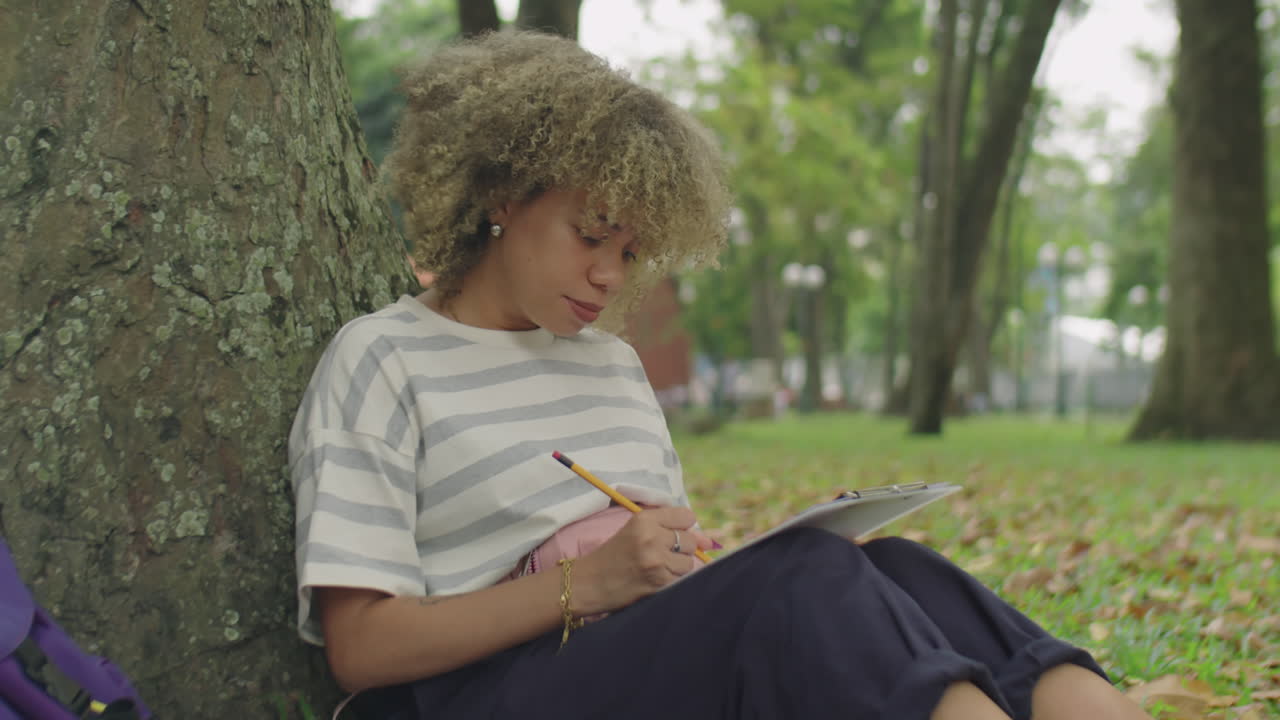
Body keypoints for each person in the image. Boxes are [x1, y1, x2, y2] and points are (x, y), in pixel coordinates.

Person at [289, 31, 1154, 720]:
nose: (609, 276)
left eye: (631, 252)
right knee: (802, 578)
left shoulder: (613, 367)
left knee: (899, 568)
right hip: (481, 693)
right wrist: (584, 585)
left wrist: (669, 563)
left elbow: (658, 581)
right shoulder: (384, 358)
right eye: (591, 235)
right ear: (505, 197)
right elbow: (361, 649)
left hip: (634, 668)